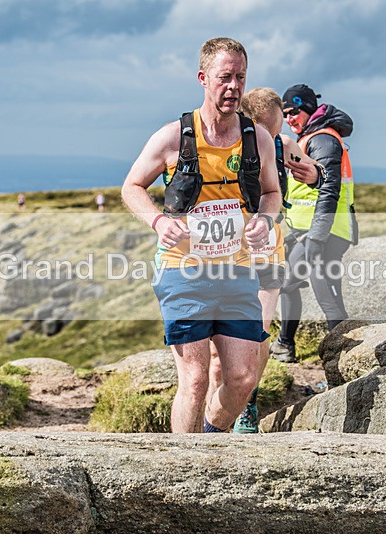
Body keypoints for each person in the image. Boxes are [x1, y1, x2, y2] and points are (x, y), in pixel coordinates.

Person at [121, 38, 281, 433]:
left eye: (240, 78)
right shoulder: (174, 136)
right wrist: (159, 221)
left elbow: (273, 193)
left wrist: (265, 219)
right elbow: (131, 187)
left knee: (243, 378)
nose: (233, 87)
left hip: (237, 269)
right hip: (184, 269)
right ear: (203, 79)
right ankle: (183, 471)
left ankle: (210, 438)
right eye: (224, 77)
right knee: (194, 379)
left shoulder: (257, 138)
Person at [206, 87, 321, 432]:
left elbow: (314, 171)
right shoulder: (231, 143)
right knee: (216, 350)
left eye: (278, 128)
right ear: (252, 122)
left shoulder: (282, 144)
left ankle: (246, 405)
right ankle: (213, 413)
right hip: (228, 253)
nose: (275, 136)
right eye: (269, 129)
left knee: (257, 334)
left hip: (268, 251)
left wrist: (313, 174)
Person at [270, 84, 358, 363]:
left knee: (326, 293)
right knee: (289, 284)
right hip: (309, 231)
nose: (289, 118)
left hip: (326, 230)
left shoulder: (322, 140)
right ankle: (286, 344)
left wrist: (317, 237)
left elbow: (329, 189)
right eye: (285, 114)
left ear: (308, 109)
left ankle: (344, 356)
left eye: (294, 111)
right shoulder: (310, 137)